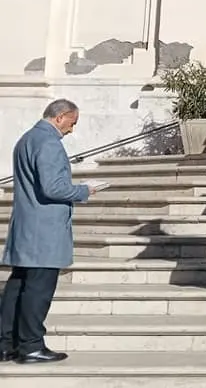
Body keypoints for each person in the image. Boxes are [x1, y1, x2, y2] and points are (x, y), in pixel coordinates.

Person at [0, 100, 98, 364]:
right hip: (43, 231)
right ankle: (31, 346)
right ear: (60, 117)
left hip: (26, 225)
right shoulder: (49, 143)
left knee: (17, 286)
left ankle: (5, 344)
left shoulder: (26, 139)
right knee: (38, 289)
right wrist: (85, 190)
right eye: (72, 122)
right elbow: (54, 188)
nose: (71, 130)